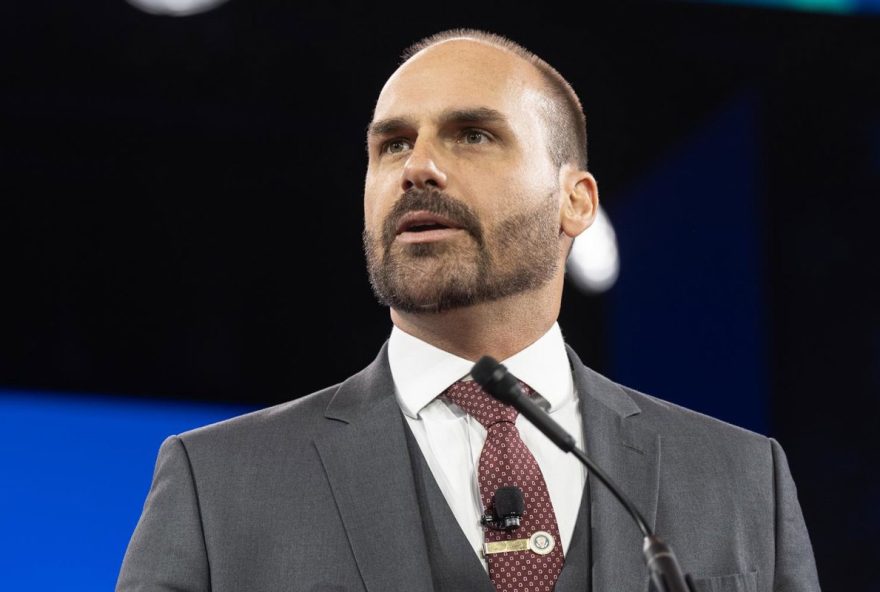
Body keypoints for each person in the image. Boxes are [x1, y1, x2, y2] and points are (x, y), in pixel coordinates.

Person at [117, 29, 820, 592]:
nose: (417, 167)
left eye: (473, 135)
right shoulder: (218, 485)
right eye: (393, 145)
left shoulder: (740, 478)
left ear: (576, 201)